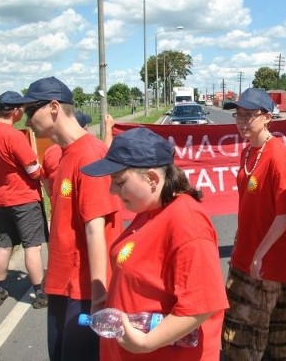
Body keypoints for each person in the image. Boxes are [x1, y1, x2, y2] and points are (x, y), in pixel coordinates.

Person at [81, 127, 229, 360]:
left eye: (119, 182)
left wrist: (147, 343)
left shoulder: (186, 222)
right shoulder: (150, 209)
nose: (112, 190)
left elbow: (202, 304)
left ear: (152, 179)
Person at [19, 77, 123, 361]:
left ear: (54, 107)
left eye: (31, 111)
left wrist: (99, 297)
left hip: (85, 292)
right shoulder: (64, 154)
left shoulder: (90, 154)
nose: (27, 121)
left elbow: (96, 230)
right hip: (63, 285)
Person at [221, 88, 286, 360]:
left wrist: (258, 254)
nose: (241, 121)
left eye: (249, 115)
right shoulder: (249, 152)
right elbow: (250, 209)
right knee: (264, 334)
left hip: (271, 260)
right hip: (249, 255)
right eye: (238, 115)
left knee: (250, 336)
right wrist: (241, 244)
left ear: (267, 118)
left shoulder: (277, 155)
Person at [0, 91, 48, 309]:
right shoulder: (14, 136)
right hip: (24, 198)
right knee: (32, 246)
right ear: (16, 111)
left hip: (1, 199)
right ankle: (39, 293)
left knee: (4, 245)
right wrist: (43, 168)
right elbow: (32, 170)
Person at [42, 111, 93, 199]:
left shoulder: (49, 152)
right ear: (84, 129)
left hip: (58, 206)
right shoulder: (90, 150)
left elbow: (49, 191)